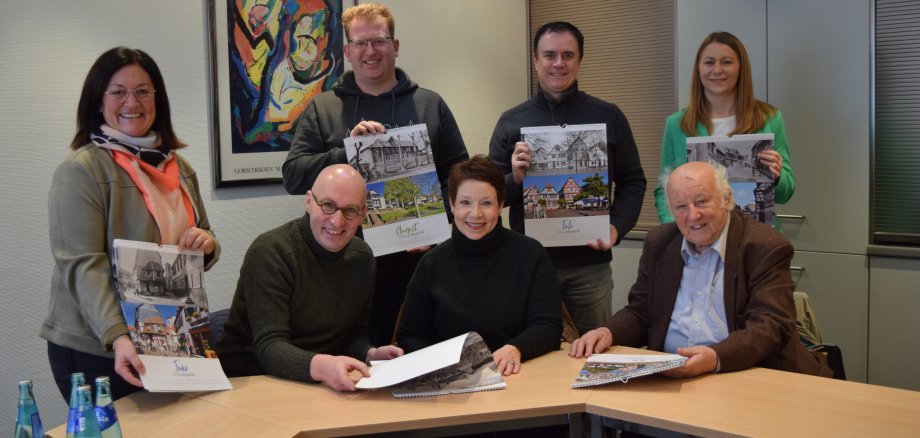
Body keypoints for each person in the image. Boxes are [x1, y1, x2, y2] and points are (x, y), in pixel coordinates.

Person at [281, 3, 469, 346]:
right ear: (347, 52)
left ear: (395, 47)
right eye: (361, 43)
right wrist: (346, 152)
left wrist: (436, 224)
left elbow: (458, 180)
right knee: (355, 360)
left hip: (419, 263)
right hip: (343, 266)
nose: (371, 51)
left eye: (379, 41)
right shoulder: (323, 108)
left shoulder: (430, 104)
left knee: (419, 356)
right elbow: (293, 176)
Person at [41, 47, 220, 401]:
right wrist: (118, 335)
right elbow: (82, 265)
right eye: (118, 91)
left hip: (167, 340)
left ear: (157, 98)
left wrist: (207, 244)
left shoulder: (179, 169)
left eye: (142, 90)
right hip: (99, 347)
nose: (132, 102)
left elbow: (201, 242)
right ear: (98, 100)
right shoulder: (82, 170)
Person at [570, 161, 832, 378]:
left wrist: (716, 357)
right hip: (671, 376)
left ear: (727, 200)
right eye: (681, 207)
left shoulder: (764, 246)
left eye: (702, 202)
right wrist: (607, 332)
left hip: (747, 373)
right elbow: (641, 312)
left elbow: (770, 327)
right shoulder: (660, 242)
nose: (692, 216)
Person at [489, 21, 647, 336]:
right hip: (529, 265)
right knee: (531, 354)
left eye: (568, 55)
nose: (558, 63)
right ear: (536, 60)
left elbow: (633, 181)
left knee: (592, 352)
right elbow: (491, 197)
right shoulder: (511, 122)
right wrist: (516, 177)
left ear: (579, 60)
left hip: (590, 267)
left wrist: (617, 226)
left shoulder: (608, 116)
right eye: (549, 55)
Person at [216, 165, 403, 391]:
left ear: (363, 214)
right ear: (308, 202)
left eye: (350, 210)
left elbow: (353, 335)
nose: (337, 221)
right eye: (328, 206)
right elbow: (269, 347)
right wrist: (326, 366)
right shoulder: (271, 251)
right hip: (248, 381)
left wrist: (370, 354)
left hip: (318, 384)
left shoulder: (362, 258)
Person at [396, 156, 562, 376]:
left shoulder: (531, 254)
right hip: (451, 380)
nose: (476, 214)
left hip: (516, 374)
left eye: (486, 203)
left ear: (501, 205)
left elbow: (549, 325)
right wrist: (444, 362)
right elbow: (410, 335)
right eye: (465, 202)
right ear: (452, 205)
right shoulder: (432, 263)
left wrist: (518, 347)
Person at [655, 31, 794, 228]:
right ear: (699, 68)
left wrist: (777, 177)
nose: (717, 70)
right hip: (698, 242)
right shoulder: (677, 124)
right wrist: (678, 230)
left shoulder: (770, 118)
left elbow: (785, 194)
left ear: (740, 68)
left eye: (727, 62)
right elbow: (664, 190)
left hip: (757, 241)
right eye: (709, 62)